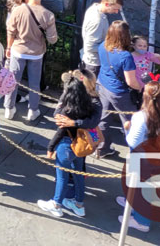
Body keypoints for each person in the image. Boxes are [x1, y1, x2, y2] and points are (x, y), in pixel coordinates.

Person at [36, 71, 103, 218]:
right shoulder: (91, 103)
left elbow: (62, 128)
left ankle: (56, 204)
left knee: (62, 176)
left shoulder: (75, 103)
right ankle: (78, 205)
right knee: (78, 173)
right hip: (81, 145)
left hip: (67, 144)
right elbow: (59, 114)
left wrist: (51, 146)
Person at [122, 81, 160, 233]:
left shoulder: (141, 116)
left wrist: (127, 129)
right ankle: (132, 203)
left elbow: (133, 142)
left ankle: (141, 221)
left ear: (145, 97)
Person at [4, 0, 58, 122]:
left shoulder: (17, 10)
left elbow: (10, 31)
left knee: (13, 80)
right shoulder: (48, 15)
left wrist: (9, 47)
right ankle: (32, 110)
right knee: (34, 83)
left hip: (17, 50)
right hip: (36, 53)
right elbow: (52, 39)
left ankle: (9, 109)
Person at [96, 20, 145, 159]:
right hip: (119, 92)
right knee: (132, 121)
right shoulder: (125, 56)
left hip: (102, 85)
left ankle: (102, 148)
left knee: (103, 118)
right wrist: (142, 87)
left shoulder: (102, 46)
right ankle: (135, 153)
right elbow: (131, 82)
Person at [80, 0, 125, 78]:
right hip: (93, 64)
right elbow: (90, 47)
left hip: (91, 61)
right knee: (89, 90)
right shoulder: (97, 20)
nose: (116, 12)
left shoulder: (94, 9)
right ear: (107, 4)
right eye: (115, 9)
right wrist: (112, 48)